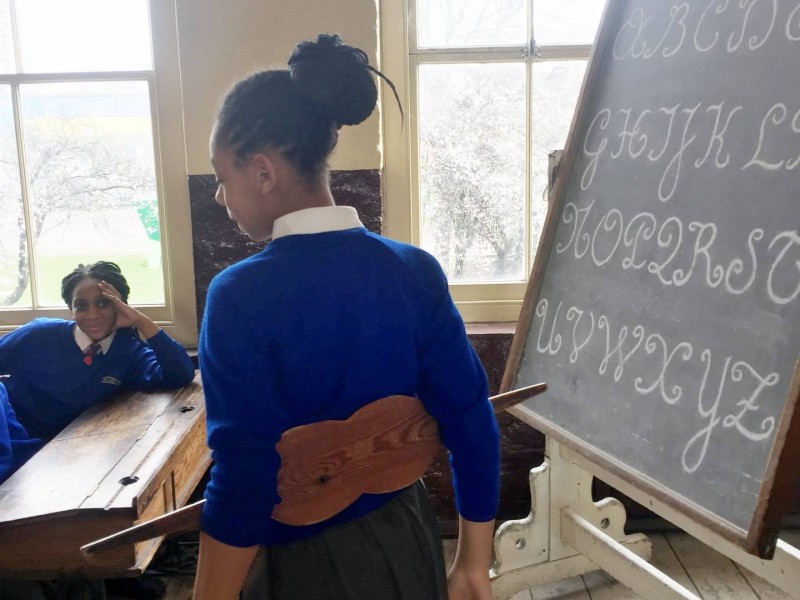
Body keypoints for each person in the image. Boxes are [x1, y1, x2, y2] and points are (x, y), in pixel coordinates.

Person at [195, 33, 500, 600]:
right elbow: (470, 418)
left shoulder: (238, 296)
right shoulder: (414, 270)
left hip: (302, 567)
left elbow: (243, 479)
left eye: (221, 176)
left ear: (262, 172)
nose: (218, 196)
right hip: (408, 542)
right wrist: (473, 564)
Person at [0, 260, 196, 445]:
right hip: (14, 443)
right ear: (71, 310)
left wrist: (141, 321)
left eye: (103, 303)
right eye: (81, 306)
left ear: (120, 305)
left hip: (74, 450)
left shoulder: (130, 351)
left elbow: (181, 374)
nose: (92, 315)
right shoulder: (40, 334)